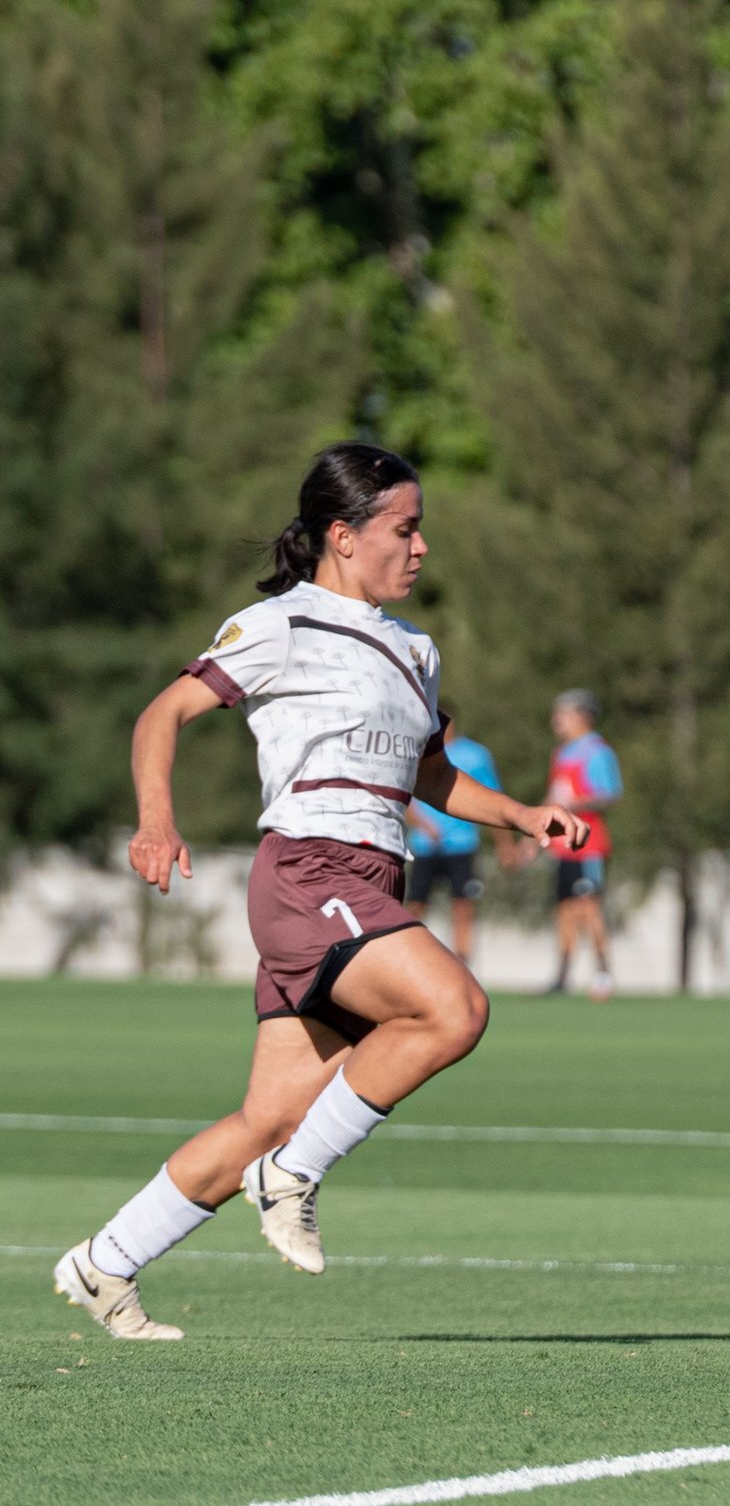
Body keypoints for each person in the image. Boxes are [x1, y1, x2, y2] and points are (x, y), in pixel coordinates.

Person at [53, 442, 586, 1340]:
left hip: (371, 882)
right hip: (309, 872)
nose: (420, 549)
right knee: (453, 1009)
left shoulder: (416, 649)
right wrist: (155, 819)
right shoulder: (281, 625)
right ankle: (293, 1177)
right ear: (342, 535)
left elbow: (433, 777)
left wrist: (523, 815)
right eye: (404, 530)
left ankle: (106, 1264)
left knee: (269, 1117)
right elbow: (163, 713)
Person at [405, 708, 506, 967]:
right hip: (425, 847)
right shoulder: (414, 749)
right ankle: (410, 961)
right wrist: (424, 825)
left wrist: (505, 844)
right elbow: (403, 796)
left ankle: (463, 962)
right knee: (415, 905)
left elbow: (492, 797)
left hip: (461, 846)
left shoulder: (476, 754)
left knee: (463, 904)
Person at [543, 690, 622, 999]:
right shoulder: (562, 754)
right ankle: (562, 976)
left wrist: (574, 802)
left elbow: (609, 794)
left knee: (590, 910)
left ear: (582, 716)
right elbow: (552, 797)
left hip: (588, 845)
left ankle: (603, 973)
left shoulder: (597, 752)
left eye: (562, 714)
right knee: (564, 909)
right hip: (562, 846)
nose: (556, 721)